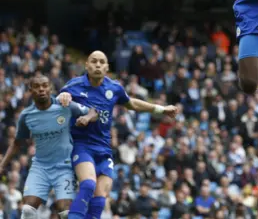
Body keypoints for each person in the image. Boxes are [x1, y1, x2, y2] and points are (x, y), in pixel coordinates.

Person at [59, 51, 178, 219]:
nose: (98, 65)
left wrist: (161, 109)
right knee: (87, 185)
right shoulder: (73, 86)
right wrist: (61, 97)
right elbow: (55, 104)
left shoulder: (114, 88)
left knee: (100, 199)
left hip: (104, 149)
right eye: (94, 61)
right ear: (87, 65)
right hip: (82, 145)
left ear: (107, 67)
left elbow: (132, 104)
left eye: (102, 62)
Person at [0, 76, 98, 219]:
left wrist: (87, 118)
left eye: (45, 85)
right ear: (30, 90)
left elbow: (94, 112)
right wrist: (2, 165)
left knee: (65, 211)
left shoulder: (65, 105)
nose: (41, 89)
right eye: (37, 86)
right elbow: (16, 144)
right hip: (40, 166)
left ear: (50, 88)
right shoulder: (27, 116)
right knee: (27, 209)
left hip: (64, 166)